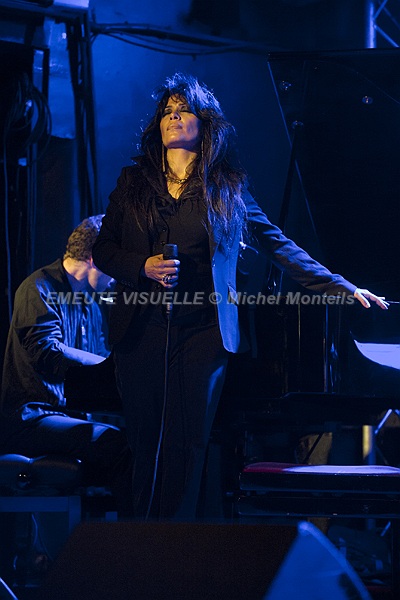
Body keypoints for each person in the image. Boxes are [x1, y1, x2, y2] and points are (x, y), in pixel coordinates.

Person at [92, 73, 388, 521]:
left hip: (204, 334)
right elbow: (103, 250)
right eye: (167, 111)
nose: (173, 116)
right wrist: (142, 266)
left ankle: (172, 543)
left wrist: (340, 285)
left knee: (188, 444)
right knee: (145, 441)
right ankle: (137, 540)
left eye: (183, 109)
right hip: (141, 331)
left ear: (205, 123)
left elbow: (278, 245)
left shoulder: (228, 188)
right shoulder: (132, 182)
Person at [0, 215, 133, 517]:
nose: (117, 275)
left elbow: (98, 366)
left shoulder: (90, 303)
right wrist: (107, 365)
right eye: (114, 262)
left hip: (64, 417)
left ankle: (112, 535)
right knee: (118, 446)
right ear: (95, 257)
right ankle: (132, 538)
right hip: (30, 418)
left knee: (138, 441)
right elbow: (46, 353)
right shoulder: (37, 288)